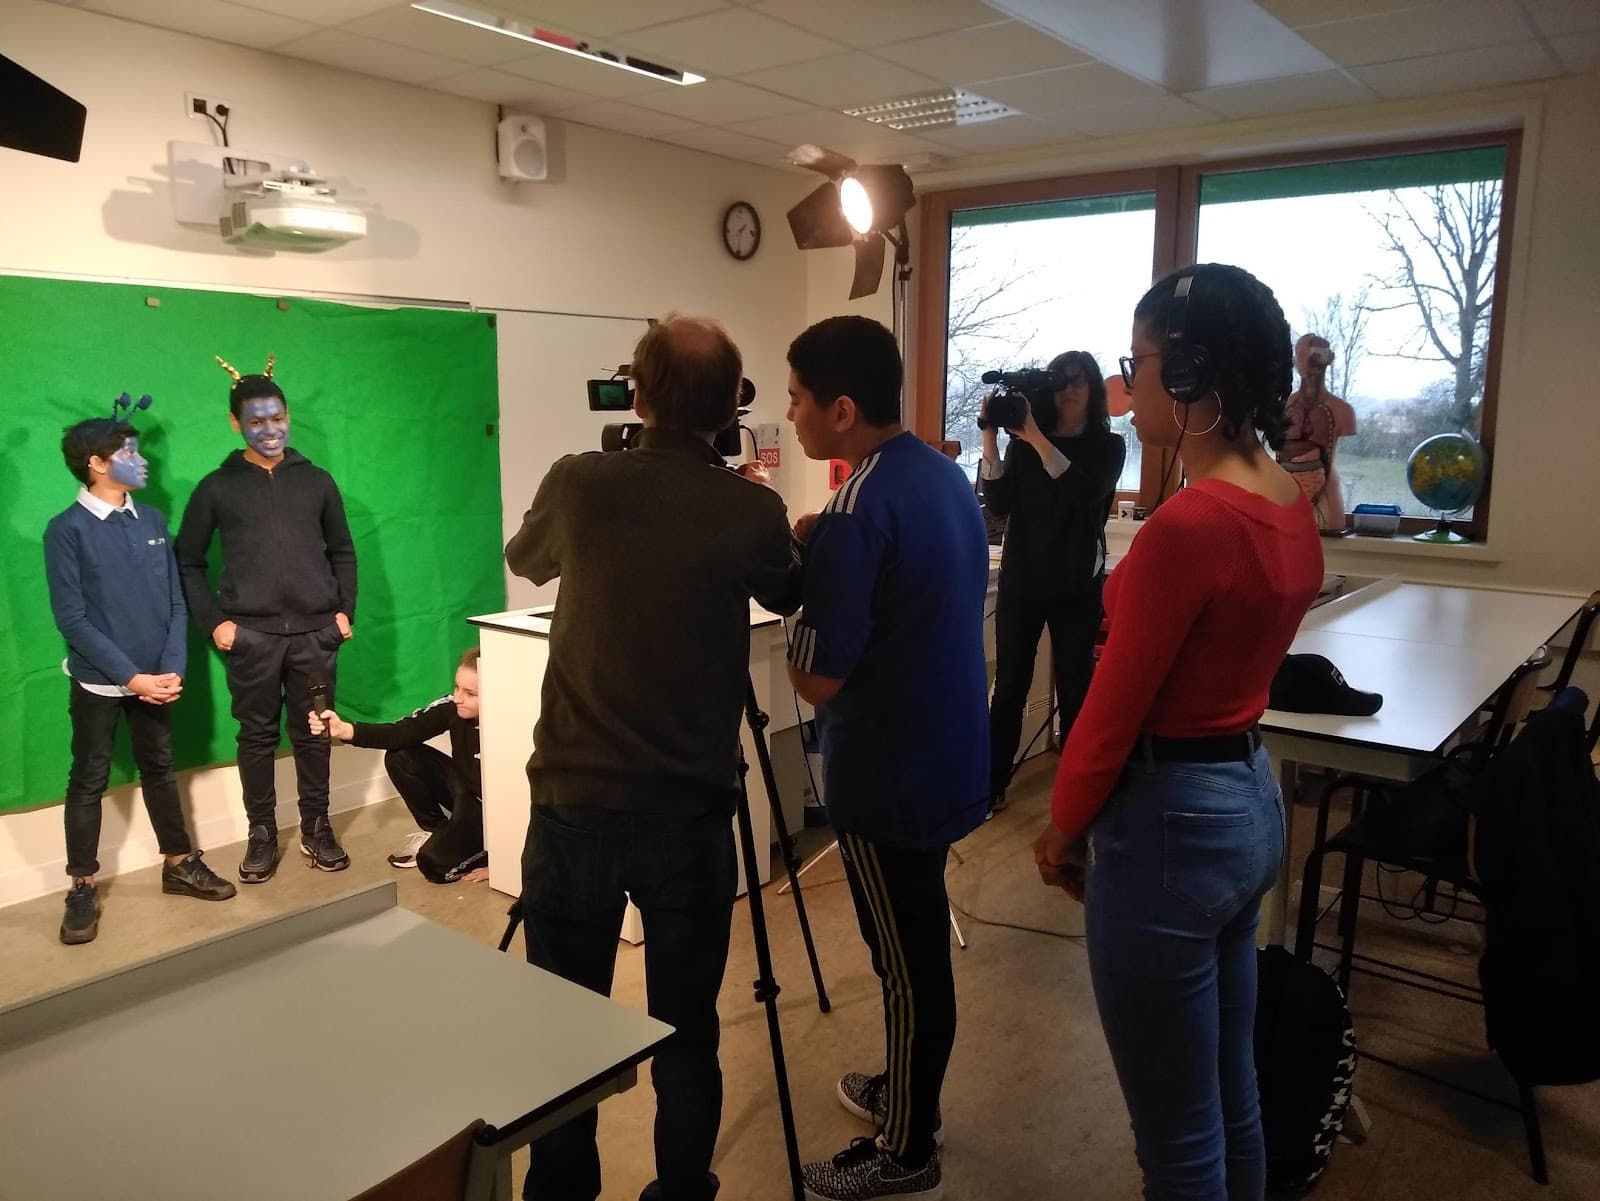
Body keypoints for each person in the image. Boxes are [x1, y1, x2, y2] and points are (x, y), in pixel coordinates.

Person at [1032, 264, 1324, 1201]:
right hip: (1247, 799)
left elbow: (1110, 713)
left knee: (1178, 1143)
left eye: (1139, 362)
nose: (1128, 385)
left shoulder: (1188, 528)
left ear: (1192, 372)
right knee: (1231, 1095)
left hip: (1169, 829)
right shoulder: (1288, 502)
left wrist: (1061, 827)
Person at [504, 315, 801, 1201]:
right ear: (731, 408)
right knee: (687, 1031)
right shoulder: (749, 507)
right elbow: (790, 588)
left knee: (564, 1028)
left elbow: (526, 559)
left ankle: (563, 1191)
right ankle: (680, 1189)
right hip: (691, 815)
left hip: (574, 804)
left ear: (637, 396)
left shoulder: (580, 481)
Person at [785, 315, 990, 1201]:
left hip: (887, 775)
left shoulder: (856, 509)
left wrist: (811, 571)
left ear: (841, 409)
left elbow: (814, 679)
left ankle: (907, 1146)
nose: (790, 414)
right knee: (916, 948)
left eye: (796, 398)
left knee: (905, 965)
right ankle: (904, 1090)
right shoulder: (940, 475)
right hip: (948, 751)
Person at [44, 398, 237, 945]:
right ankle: (82, 885)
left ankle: (179, 863)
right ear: (97, 464)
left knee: (160, 767)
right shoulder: (66, 531)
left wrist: (170, 670)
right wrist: (131, 678)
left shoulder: (151, 520)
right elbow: (72, 619)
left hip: (158, 681)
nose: (142, 460)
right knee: (89, 778)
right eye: (129, 452)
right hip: (101, 682)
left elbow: (175, 602)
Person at [175, 355, 358, 883]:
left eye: (277, 417)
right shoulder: (216, 487)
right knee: (256, 737)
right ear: (235, 423)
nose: (269, 429)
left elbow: (343, 551)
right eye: (256, 420)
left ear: (288, 416)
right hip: (251, 638)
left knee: (314, 733)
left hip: (316, 636)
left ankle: (317, 826)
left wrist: (343, 611)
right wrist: (215, 622)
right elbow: (188, 560)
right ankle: (261, 832)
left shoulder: (317, 481)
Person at [978, 351, 1125, 812]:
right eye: (1060, 381)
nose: (1068, 390)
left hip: (1076, 582)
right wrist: (989, 438)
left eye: (1078, 381)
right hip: (1022, 579)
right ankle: (991, 785)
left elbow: (1084, 493)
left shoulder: (1108, 446)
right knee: (1009, 686)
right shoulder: (1024, 446)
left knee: (1076, 686)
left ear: (1093, 390)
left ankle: (1078, 793)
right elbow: (998, 504)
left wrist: (1037, 438)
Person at [308, 646, 487, 884]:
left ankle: (481, 851)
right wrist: (345, 730)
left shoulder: (513, 725)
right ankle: (437, 831)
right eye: (456, 687)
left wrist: (503, 863)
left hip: (494, 811)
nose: (458, 698)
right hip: (466, 793)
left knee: (433, 865)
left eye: (470, 693)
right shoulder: (453, 706)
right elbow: (401, 733)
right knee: (401, 756)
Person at [1278, 333, 1357, 530]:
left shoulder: (1342, 410)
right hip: (1285, 502)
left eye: (1313, 356)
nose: (1308, 364)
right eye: (1302, 356)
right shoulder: (1284, 406)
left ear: (1326, 359)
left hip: (1326, 507)